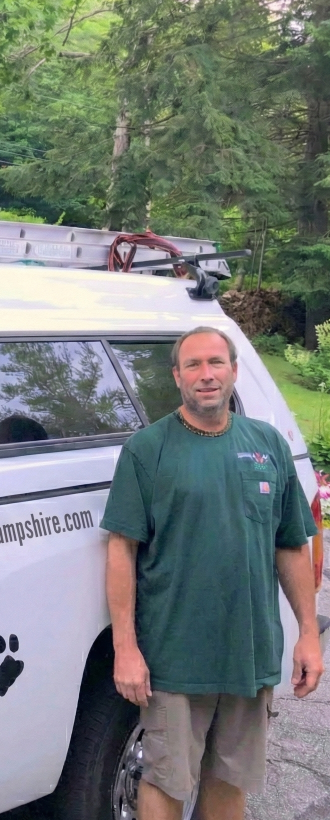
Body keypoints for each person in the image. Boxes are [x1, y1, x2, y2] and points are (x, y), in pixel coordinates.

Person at [102, 326, 323, 820]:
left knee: (230, 779)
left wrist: (309, 634)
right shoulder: (148, 449)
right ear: (177, 377)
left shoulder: (267, 444)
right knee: (166, 779)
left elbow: (291, 545)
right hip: (175, 656)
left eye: (216, 363)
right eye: (194, 365)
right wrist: (125, 648)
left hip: (249, 652)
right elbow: (121, 550)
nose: (206, 375)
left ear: (234, 371)